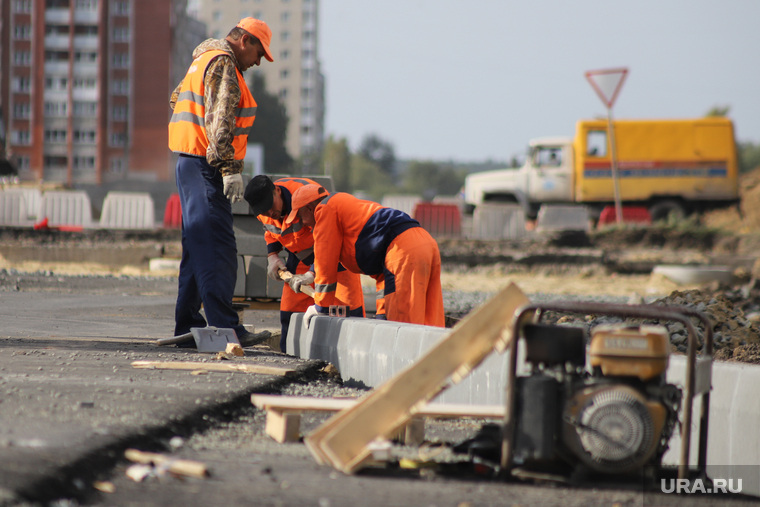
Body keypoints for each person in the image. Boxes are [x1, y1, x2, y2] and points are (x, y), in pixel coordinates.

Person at [168, 17, 274, 347]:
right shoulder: (224, 64)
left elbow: (177, 99)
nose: (258, 62)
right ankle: (226, 328)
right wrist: (228, 168)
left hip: (189, 162)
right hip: (205, 166)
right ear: (246, 41)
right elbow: (220, 118)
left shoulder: (202, 59)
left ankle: (188, 325)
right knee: (219, 247)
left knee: (198, 247)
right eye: (259, 53)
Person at [285, 184, 445, 328]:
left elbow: (325, 260)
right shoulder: (342, 205)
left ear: (310, 207)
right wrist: (383, 316)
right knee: (430, 319)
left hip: (404, 250)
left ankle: (412, 362)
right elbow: (383, 273)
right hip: (424, 243)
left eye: (300, 216)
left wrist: (320, 307)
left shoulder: (324, 209)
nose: (302, 223)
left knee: (403, 327)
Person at [244, 176, 366, 349]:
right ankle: (293, 358)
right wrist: (273, 255)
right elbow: (271, 232)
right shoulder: (265, 211)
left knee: (346, 314)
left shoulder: (308, 196)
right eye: (264, 212)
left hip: (336, 257)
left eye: (271, 207)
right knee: (291, 314)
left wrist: (313, 272)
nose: (270, 213)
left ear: (277, 191)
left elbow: (330, 240)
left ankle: (351, 357)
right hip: (300, 258)